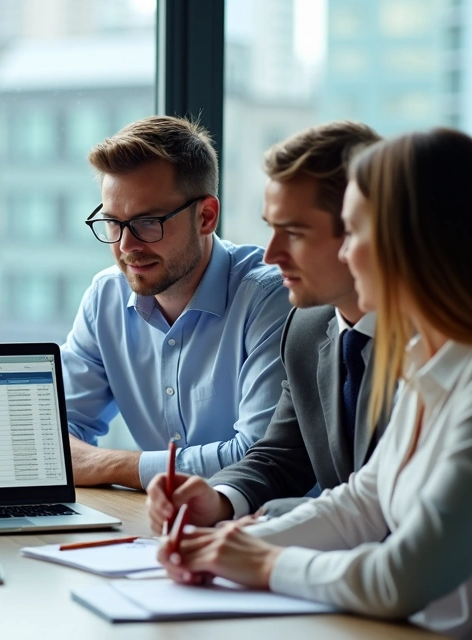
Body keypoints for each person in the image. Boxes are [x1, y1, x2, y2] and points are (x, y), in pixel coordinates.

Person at [156, 129, 472, 638]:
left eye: (355, 232)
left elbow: (403, 577)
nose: (345, 254)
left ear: (415, 245)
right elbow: (362, 502)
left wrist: (264, 562)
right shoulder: (427, 360)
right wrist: (223, 547)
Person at [147, 121, 383, 531]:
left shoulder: (437, 349)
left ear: (362, 230)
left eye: (293, 233)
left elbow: (380, 509)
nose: (271, 255)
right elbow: (282, 454)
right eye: (271, 228)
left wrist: (262, 541)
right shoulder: (308, 327)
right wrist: (219, 500)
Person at [64, 115, 292, 489]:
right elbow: (52, 435)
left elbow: (258, 457)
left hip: (263, 527)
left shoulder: (271, 299)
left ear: (206, 216)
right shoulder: (105, 298)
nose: (125, 247)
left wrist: (111, 466)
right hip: (160, 525)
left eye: (147, 222)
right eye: (112, 223)